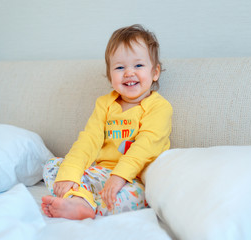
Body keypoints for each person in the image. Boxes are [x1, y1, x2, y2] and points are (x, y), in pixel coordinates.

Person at [41, 24, 172, 220]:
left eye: (138, 65)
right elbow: (89, 140)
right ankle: (79, 202)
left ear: (155, 72)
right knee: (53, 166)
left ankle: (82, 202)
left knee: (136, 197)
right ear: (111, 76)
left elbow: (145, 146)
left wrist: (119, 177)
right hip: (99, 173)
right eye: (120, 67)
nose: (129, 73)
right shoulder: (105, 104)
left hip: (132, 179)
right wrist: (70, 173)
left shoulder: (159, 107)